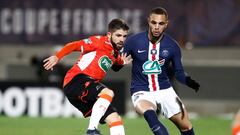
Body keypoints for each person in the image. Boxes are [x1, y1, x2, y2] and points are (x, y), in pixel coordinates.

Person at [43, 18, 132, 135]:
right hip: (76, 80)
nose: (122, 39)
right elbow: (74, 45)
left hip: (87, 89)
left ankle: (93, 129)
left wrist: (122, 63)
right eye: (118, 35)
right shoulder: (98, 41)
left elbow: (116, 64)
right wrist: (57, 57)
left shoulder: (114, 52)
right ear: (109, 34)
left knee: (115, 119)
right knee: (108, 93)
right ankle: (92, 130)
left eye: (124, 36)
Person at [123, 7, 200, 135]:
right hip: (141, 90)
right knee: (151, 116)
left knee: (186, 127)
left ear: (166, 24)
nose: (157, 27)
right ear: (148, 21)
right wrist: (119, 63)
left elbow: (179, 72)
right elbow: (116, 63)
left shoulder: (172, 46)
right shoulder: (133, 41)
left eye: (161, 23)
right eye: (154, 23)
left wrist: (188, 81)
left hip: (165, 90)